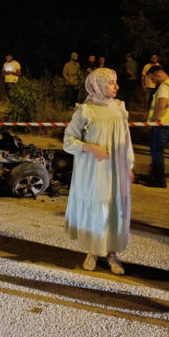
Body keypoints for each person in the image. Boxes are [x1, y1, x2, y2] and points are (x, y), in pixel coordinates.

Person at [63, 68, 134, 275]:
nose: (116, 86)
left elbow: (126, 140)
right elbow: (68, 142)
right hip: (93, 172)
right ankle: (93, 252)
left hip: (116, 170)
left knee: (115, 211)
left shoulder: (119, 108)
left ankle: (112, 254)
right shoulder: (85, 111)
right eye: (111, 82)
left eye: (116, 82)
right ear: (98, 85)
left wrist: (129, 165)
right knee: (97, 211)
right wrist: (89, 147)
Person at [143, 65, 169, 188]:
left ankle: (159, 180)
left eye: (153, 79)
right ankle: (154, 176)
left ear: (157, 75)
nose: (153, 82)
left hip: (162, 123)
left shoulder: (164, 87)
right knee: (158, 152)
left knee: (156, 152)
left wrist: (153, 119)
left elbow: (162, 104)